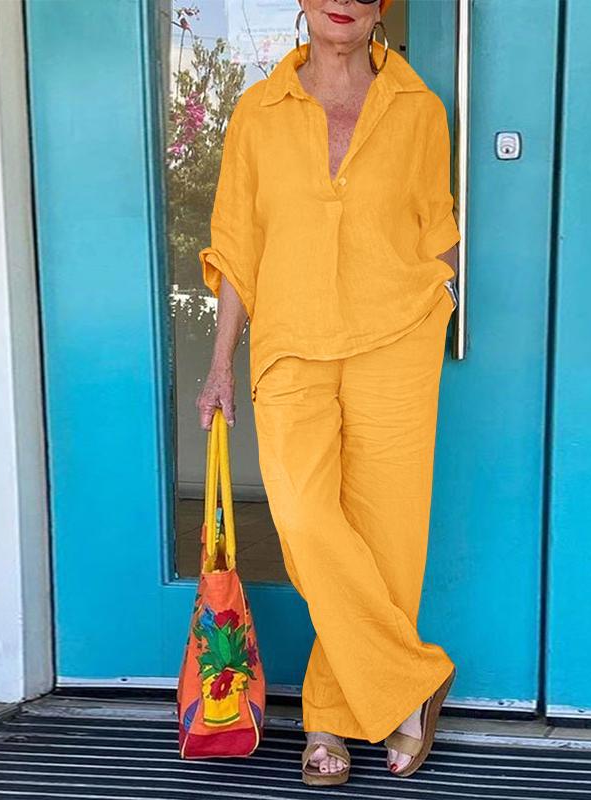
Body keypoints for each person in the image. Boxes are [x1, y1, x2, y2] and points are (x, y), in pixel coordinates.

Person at [196, 0, 460, 786]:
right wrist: (220, 363)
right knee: (307, 522)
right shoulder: (257, 113)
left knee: (387, 541)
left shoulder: (418, 108)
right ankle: (411, 681)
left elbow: (437, 227)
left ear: (381, 7)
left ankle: (329, 720)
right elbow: (236, 246)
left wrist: (440, 300)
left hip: (395, 345)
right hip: (291, 347)